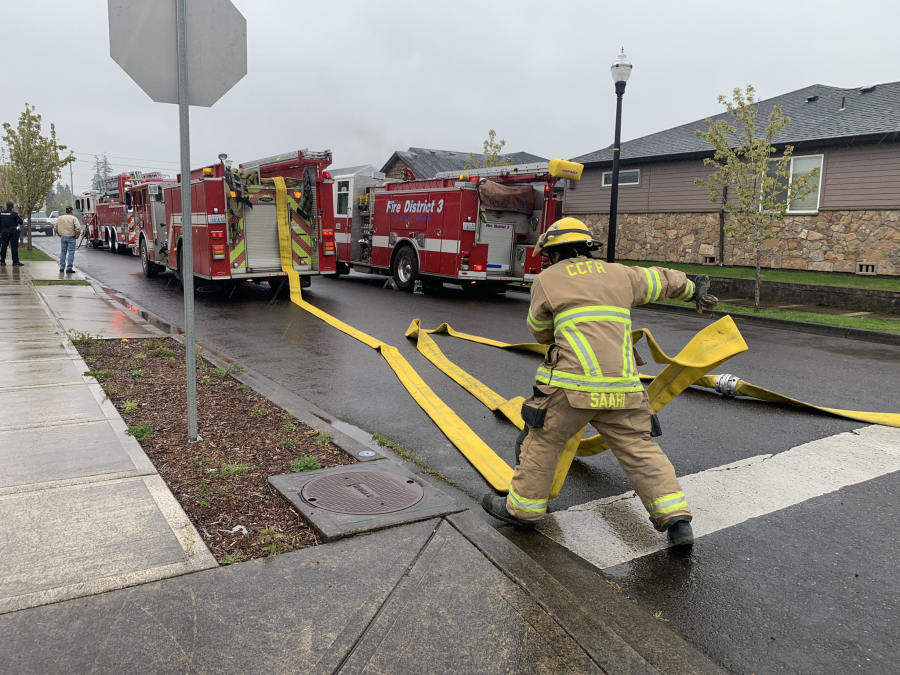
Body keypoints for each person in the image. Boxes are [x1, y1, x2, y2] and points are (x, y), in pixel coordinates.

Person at [481, 217, 718, 546]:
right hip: (624, 387)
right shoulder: (620, 274)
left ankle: (523, 511)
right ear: (587, 249)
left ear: (553, 253)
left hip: (570, 388)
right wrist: (693, 289)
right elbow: (662, 281)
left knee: (543, 442)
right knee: (640, 449)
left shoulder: (548, 280)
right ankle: (676, 519)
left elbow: (540, 330)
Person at [54, 206, 82, 273]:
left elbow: (55, 228)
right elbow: (78, 228)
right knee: (71, 252)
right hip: (71, 237)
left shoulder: (60, 218)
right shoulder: (73, 218)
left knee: (63, 251)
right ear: (72, 211)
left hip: (63, 236)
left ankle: (62, 266)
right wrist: (76, 236)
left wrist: (60, 234)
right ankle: (69, 268)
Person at [0, 201, 24, 267]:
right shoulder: (14, 214)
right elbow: (20, 222)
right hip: (12, 232)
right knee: (14, 247)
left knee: (4, 246)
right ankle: (15, 261)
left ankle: (2, 261)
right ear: (12, 207)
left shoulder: (1, 214)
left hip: (4, 232)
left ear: (6, 206)